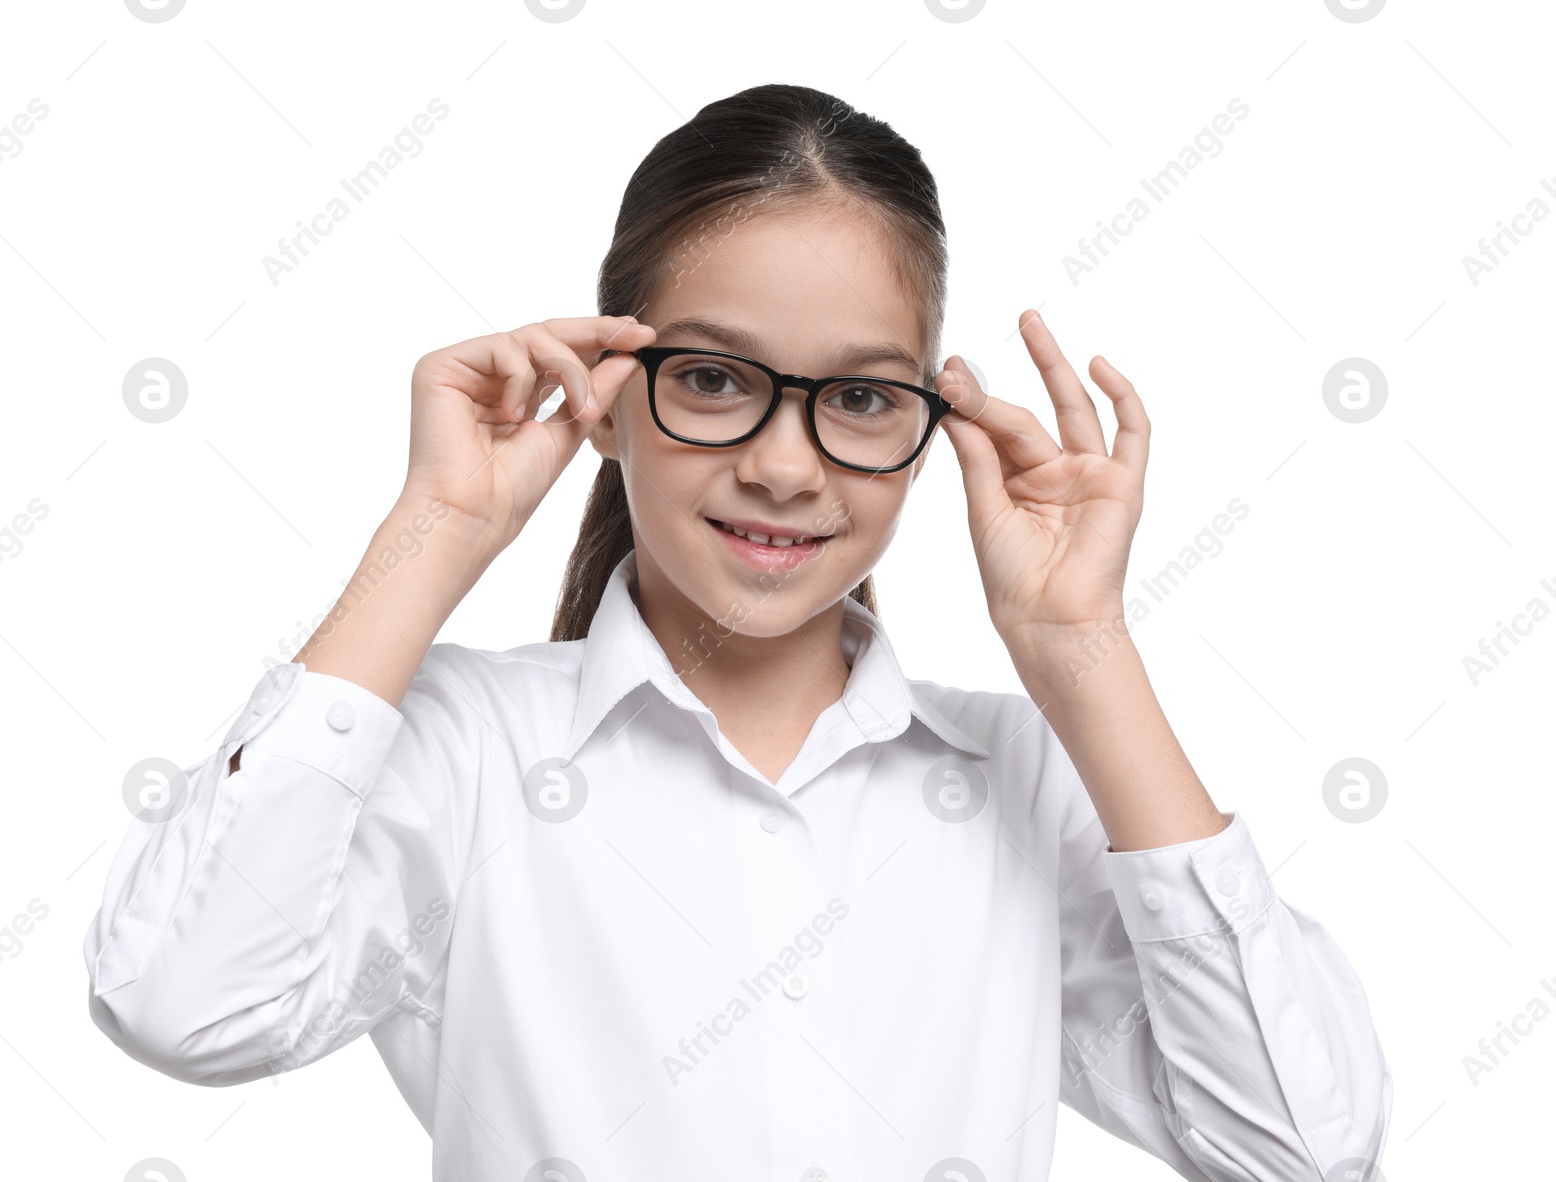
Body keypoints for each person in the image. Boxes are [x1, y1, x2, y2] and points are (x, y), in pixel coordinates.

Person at [83, 83, 1392, 1181]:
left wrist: (1082, 650)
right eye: (712, 379)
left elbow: (1302, 1145)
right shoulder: (467, 748)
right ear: (607, 397)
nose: (784, 465)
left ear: (930, 434)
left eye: (863, 398)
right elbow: (182, 1005)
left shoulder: (1022, 778)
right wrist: (433, 530)